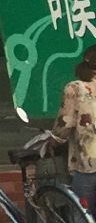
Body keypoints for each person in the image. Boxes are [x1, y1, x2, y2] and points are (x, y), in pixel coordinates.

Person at [55, 46, 96, 210]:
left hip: (89, 162)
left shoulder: (76, 88)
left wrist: (54, 140)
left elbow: (64, 124)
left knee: (82, 213)